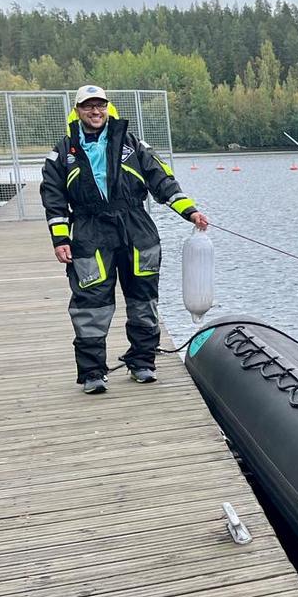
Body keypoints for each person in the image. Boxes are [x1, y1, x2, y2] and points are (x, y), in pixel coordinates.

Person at [41, 84, 208, 393]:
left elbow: (162, 180)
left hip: (136, 228)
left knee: (143, 298)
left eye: (100, 105)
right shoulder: (63, 152)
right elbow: (53, 198)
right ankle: (92, 372)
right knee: (90, 302)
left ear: (108, 107)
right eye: (88, 106)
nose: (95, 111)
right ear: (77, 110)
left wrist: (190, 212)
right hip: (90, 231)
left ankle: (143, 362)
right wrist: (60, 239)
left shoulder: (132, 144)